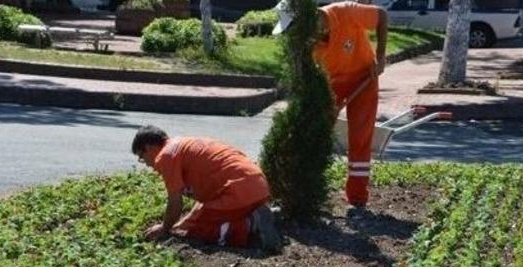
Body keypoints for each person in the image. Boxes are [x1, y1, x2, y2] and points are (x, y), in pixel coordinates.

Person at [273, 0, 388, 207]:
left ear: (307, 19)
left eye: (295, 27)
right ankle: (311, 188)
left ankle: (358, 197)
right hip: (331, 83)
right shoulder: (304, 44)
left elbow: (381, 15)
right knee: (318, 133)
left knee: (360, 137)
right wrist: (324, 104)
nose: (294, 34)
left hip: (364, 78)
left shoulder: (346, 12)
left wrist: (380, 57)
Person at [132, 125, 281, 252]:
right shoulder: (183, 145)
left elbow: (175, 203)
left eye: (142, 158)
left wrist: (164, 228)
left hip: (239, 190)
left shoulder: (166, 156)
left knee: (197, 231)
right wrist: (180, 225)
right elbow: (202, 204)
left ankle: (250, 224)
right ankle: (256, 211)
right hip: (256, 185)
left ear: (149, 148)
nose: (147, 164)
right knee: (194, 221)